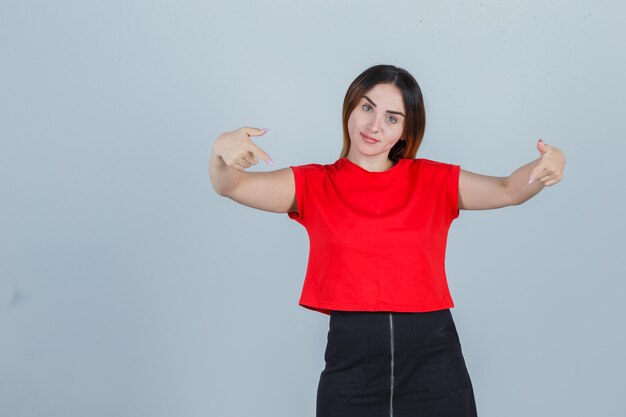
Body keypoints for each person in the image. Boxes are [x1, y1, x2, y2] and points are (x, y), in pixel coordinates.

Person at [208, 64, 566, 417]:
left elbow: (508, 189)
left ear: (406, 132)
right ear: (350, 107)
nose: (374, 126)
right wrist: (221, 151)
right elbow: (231, 185)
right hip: (351, 368)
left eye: (392, 118)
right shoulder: (314, 184)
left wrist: (550, 163)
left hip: (435, 365)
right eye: (367, 108)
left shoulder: (433, 180)